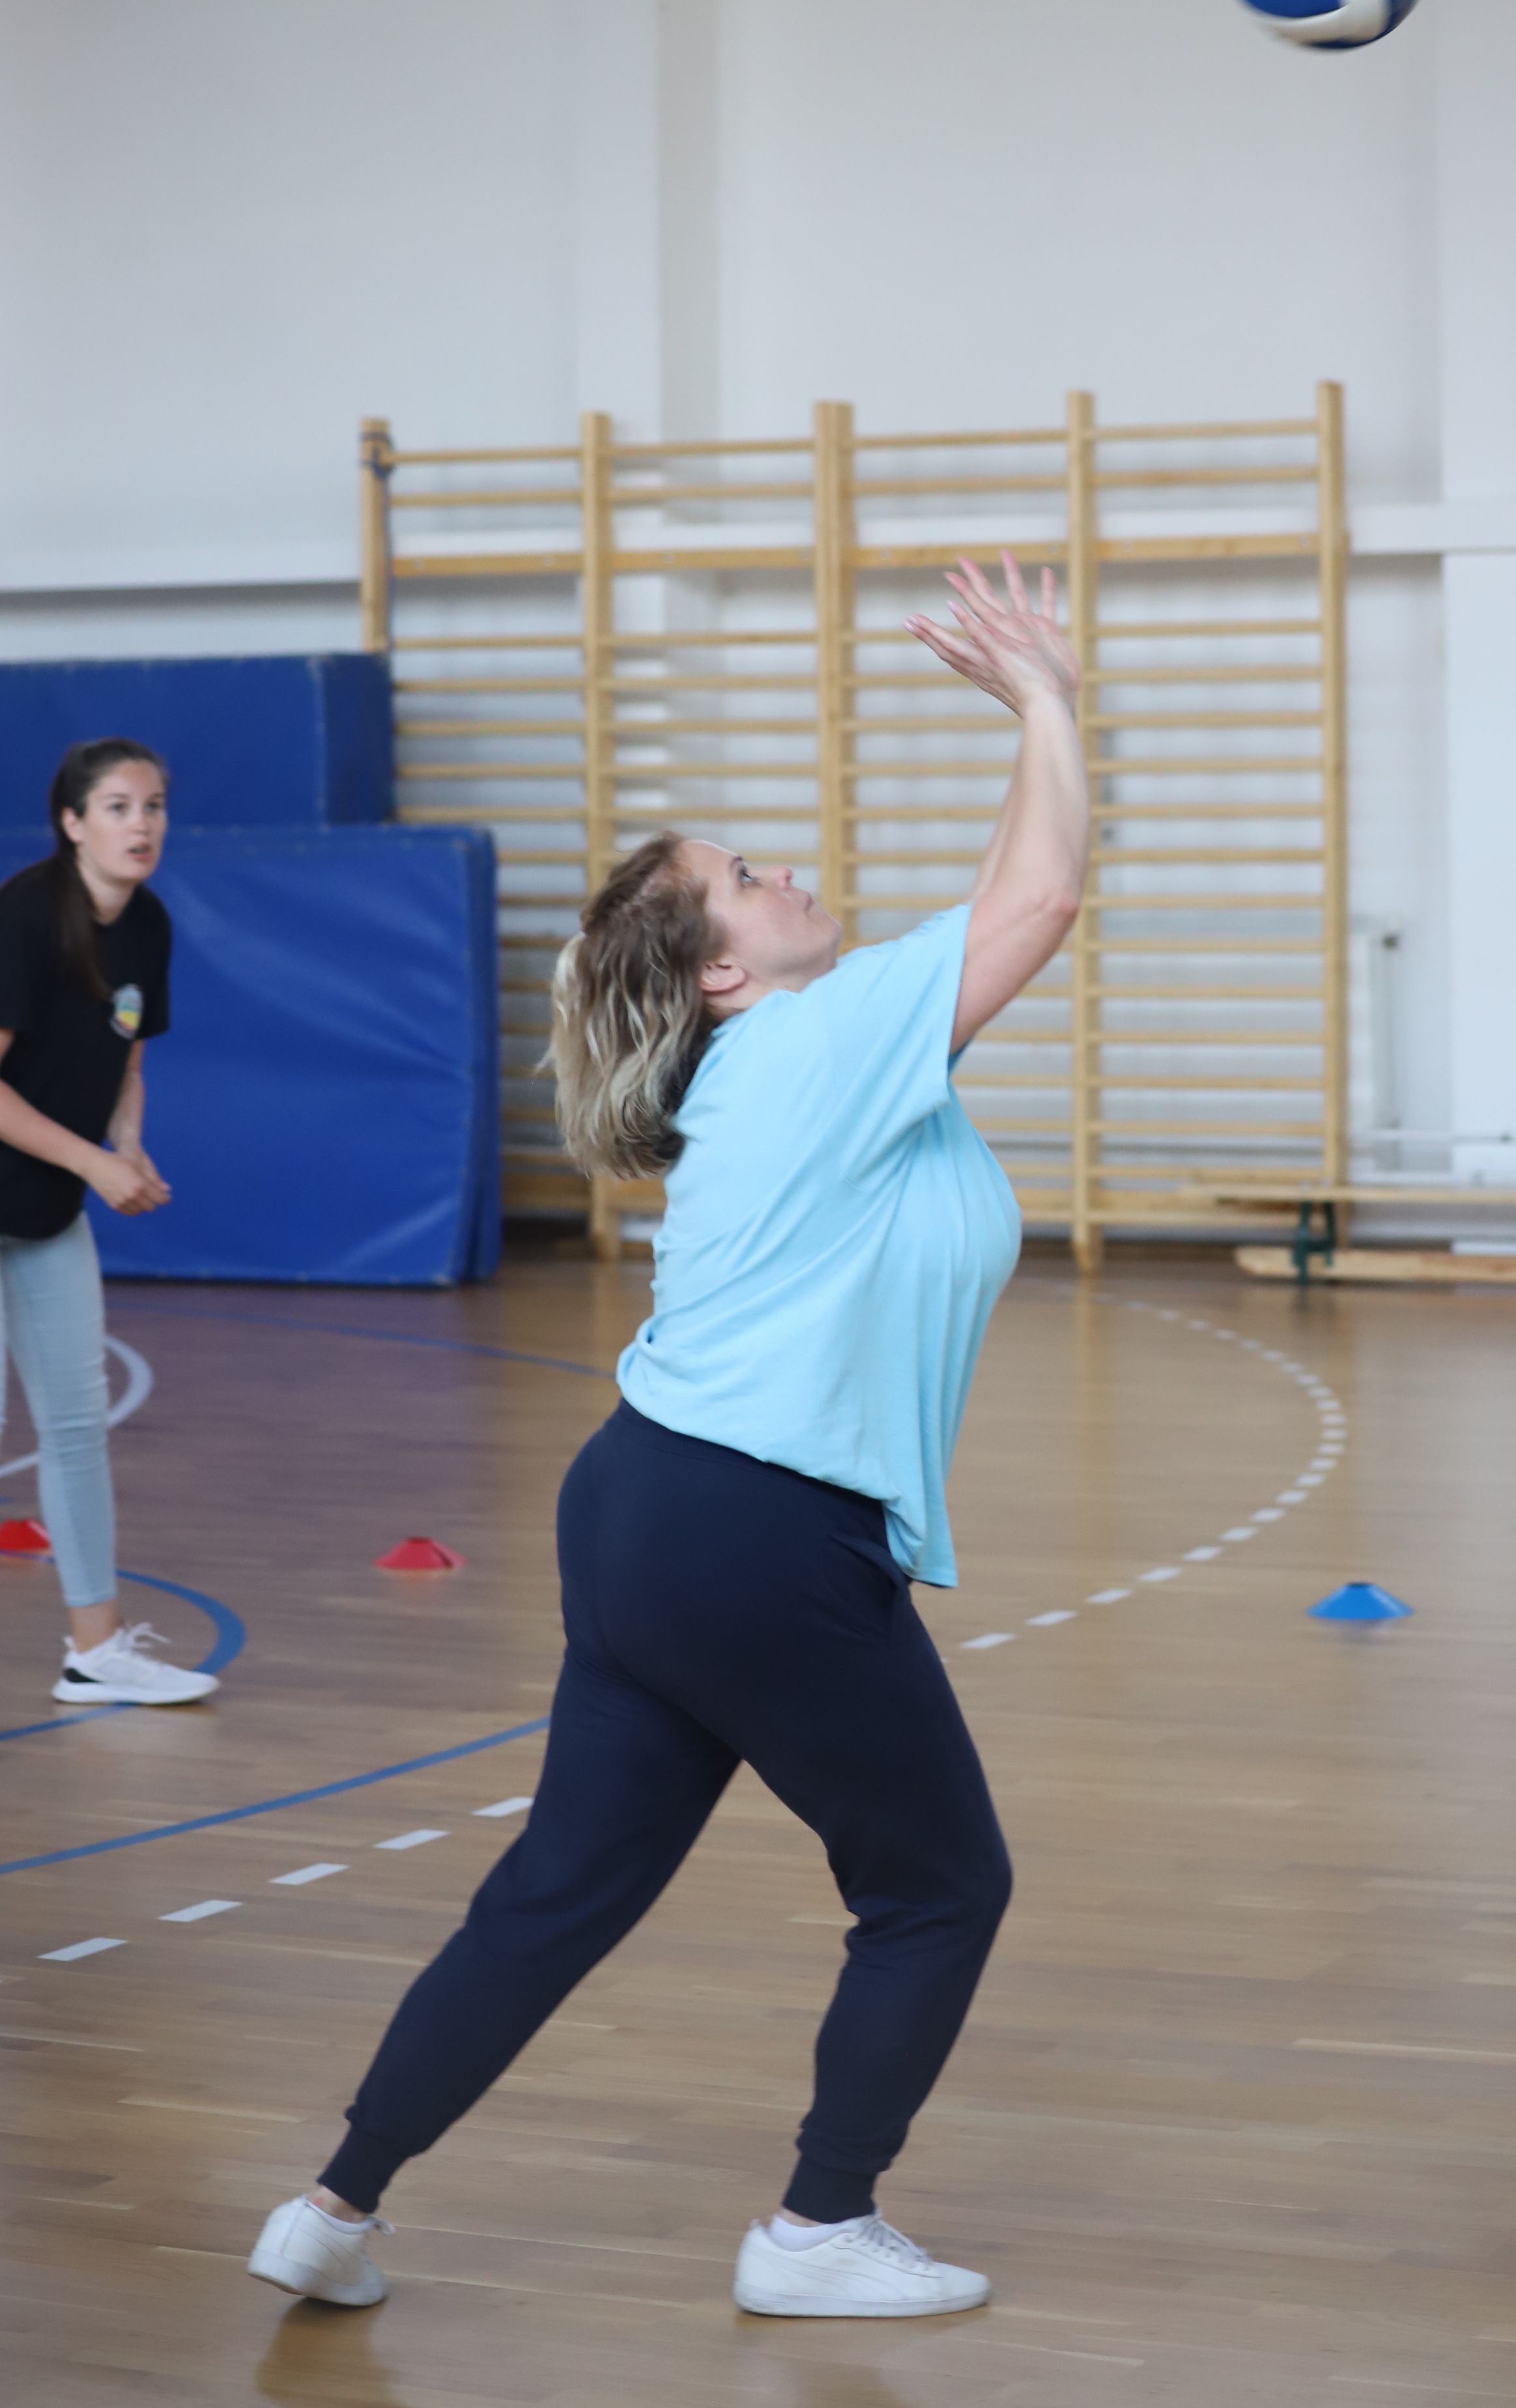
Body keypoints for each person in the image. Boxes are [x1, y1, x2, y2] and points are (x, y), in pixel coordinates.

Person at [250, 551, 1086, 2321]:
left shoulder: (818, 1064)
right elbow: (1037, 897)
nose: (789, 873)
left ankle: (333, 2205)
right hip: (753, 1531)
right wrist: (1042, 701)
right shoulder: (811, 1043)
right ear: (720, 970)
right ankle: (817, 2230)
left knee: (561, 1888)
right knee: (940, 1883)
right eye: (747, 877)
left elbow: (1000, 915)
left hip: (651, 1511)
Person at [0, 738, 216, 1708]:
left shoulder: (147, 924)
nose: (143, 824)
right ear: (73, 823)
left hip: (41, 1210)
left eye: (155, 806)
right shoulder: (23, 920)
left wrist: (127, 1145)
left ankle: (95, 1653)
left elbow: (124, 1058)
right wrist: (93, 1163)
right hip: (41, 1181)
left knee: (76, 1425)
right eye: (120, 807)